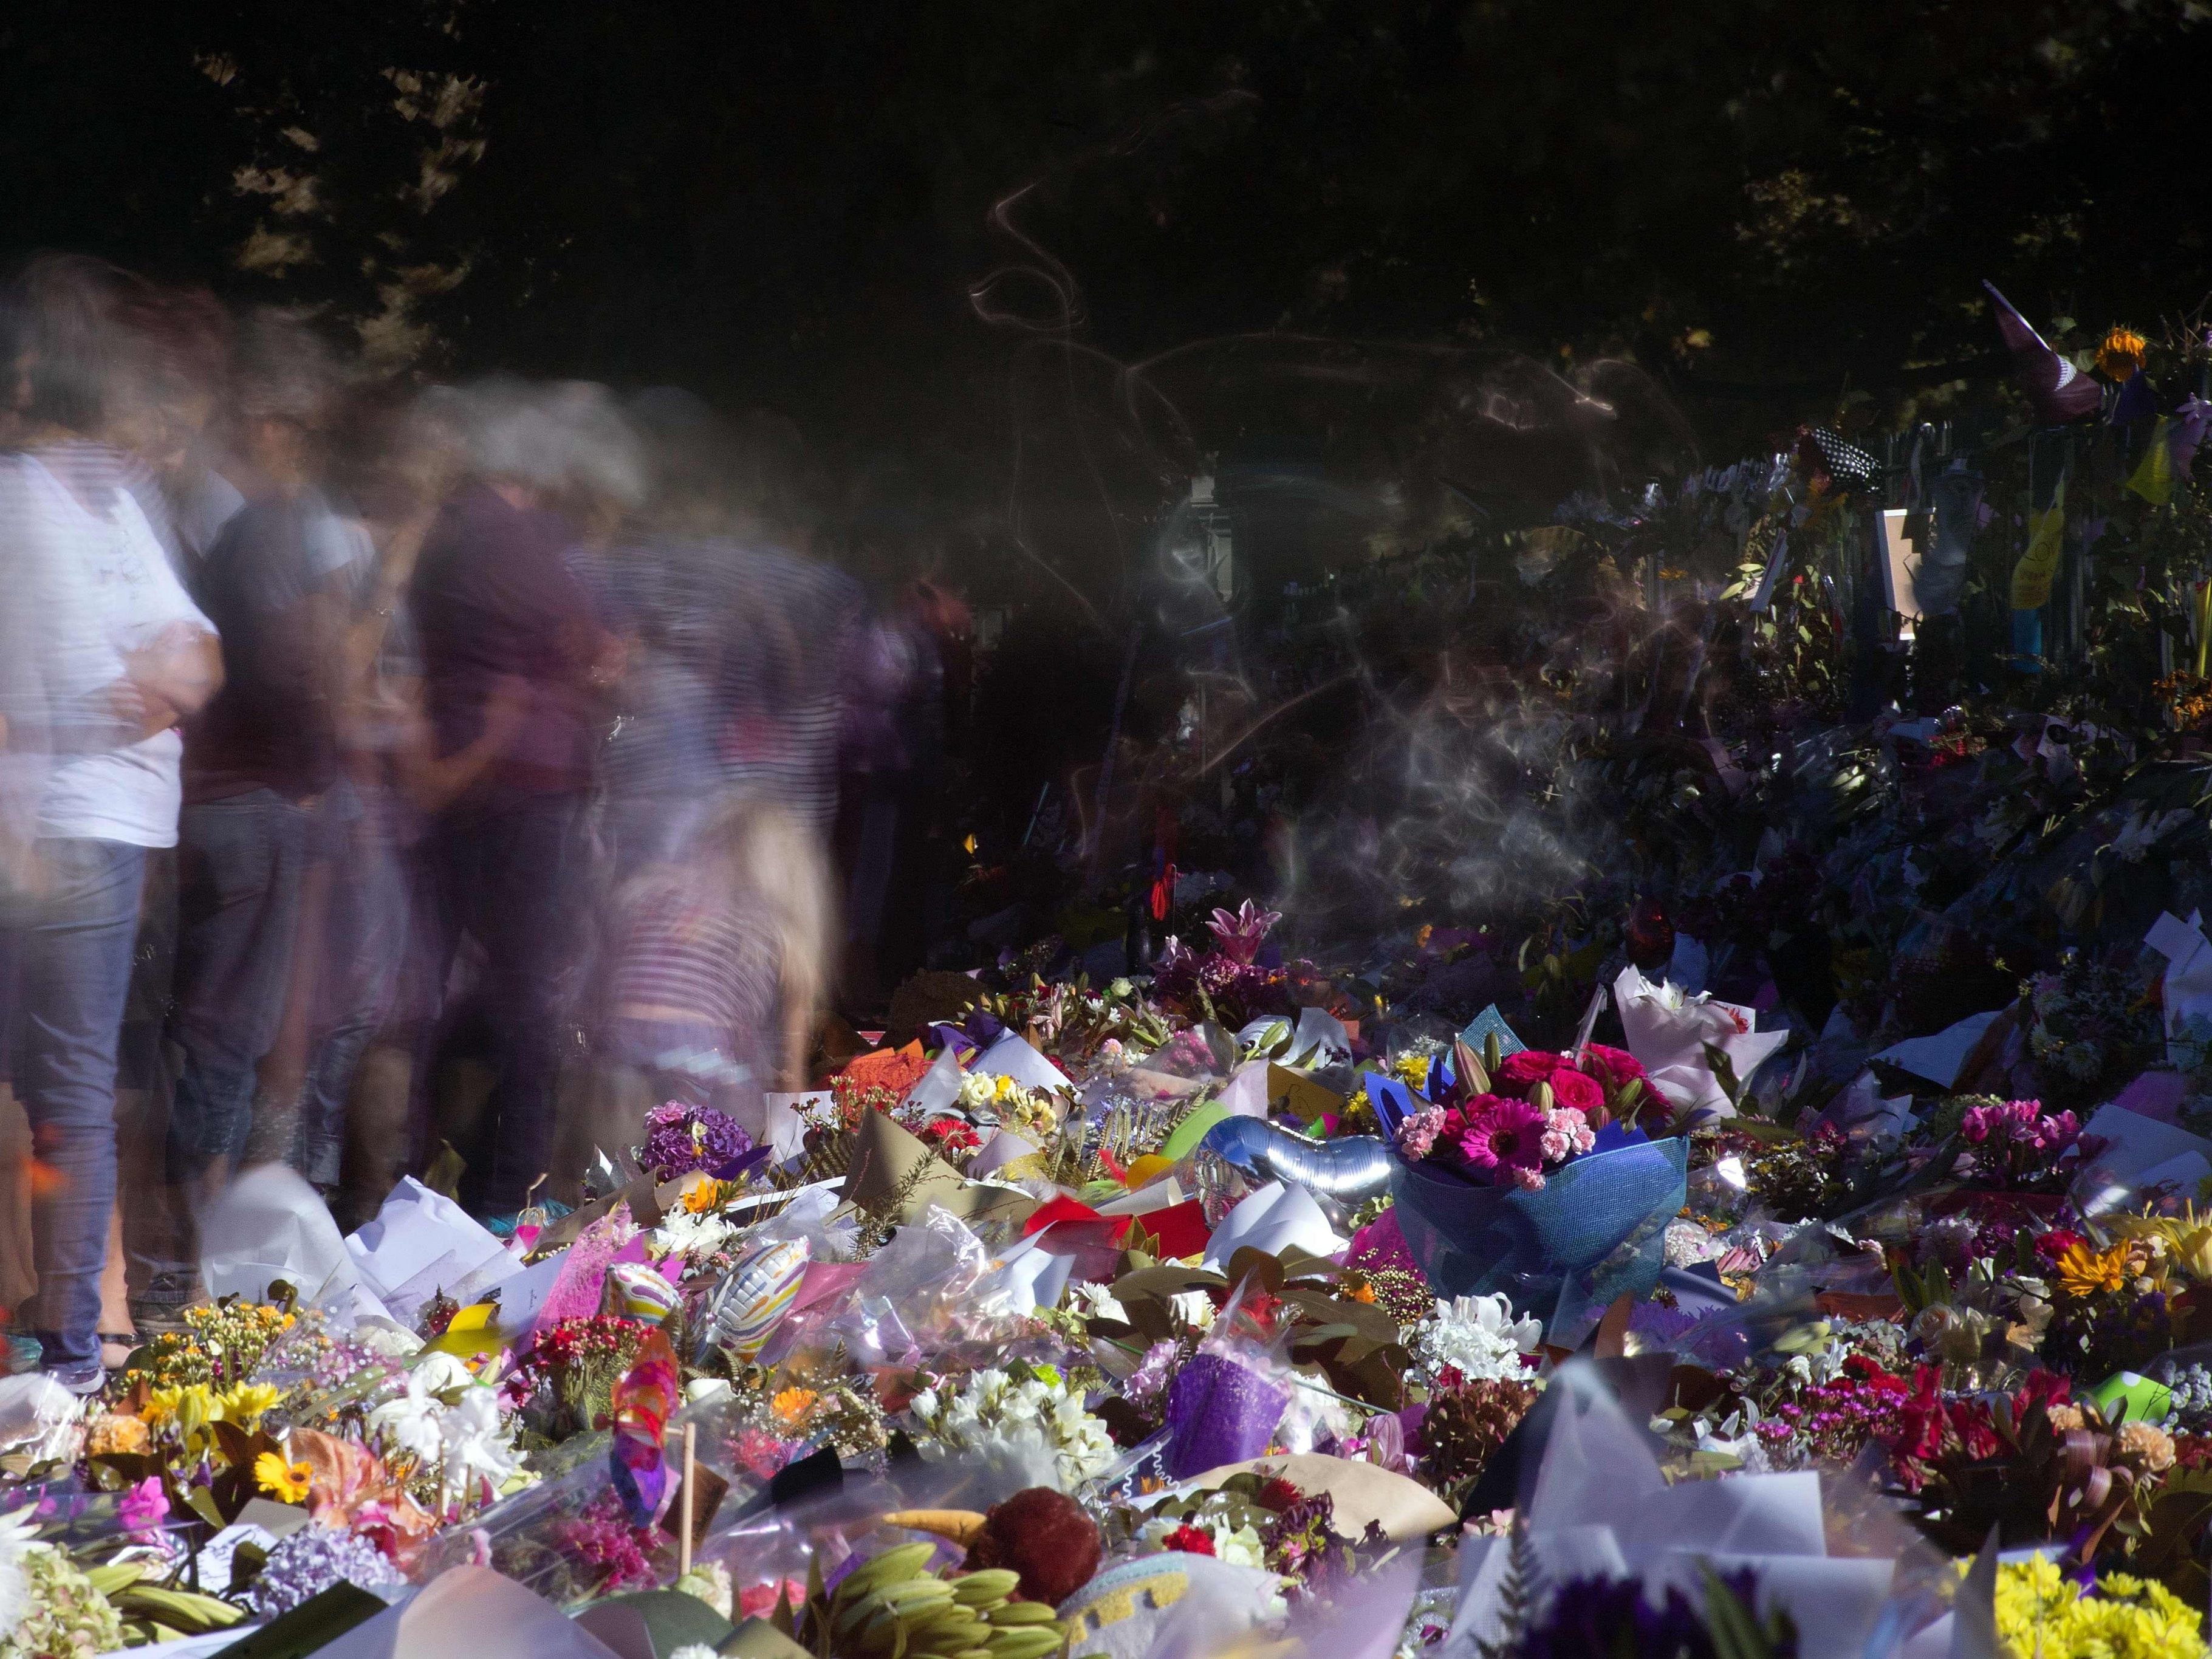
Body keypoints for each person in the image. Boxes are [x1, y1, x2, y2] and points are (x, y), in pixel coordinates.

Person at [0, 253, 222, 1390]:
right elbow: (102, 690)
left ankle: (62, 1342)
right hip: (55, 840)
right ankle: (69, 1356)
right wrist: (153, 677)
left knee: (67, 1103)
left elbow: (201, 654)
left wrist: (166, 673)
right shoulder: (25, 504)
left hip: (107, 838)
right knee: (69, 1108)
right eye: (147, 401)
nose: (163, 437)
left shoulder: (117, 507)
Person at [145, 311, 349, 1314]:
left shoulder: (238, 527)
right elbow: (285, 666)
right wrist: (319, 761)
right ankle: (200, 1264)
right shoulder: (271, 529)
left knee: (223, 1029)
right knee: (229, 1032)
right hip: (255, 802)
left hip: (230, 799)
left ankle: (201, 1252)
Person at [409, 380, 615, 1214]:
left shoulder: (442, 536)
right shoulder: (521, 544)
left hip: (451, 782)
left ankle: (416, 1170)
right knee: (534, 990)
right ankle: (512, 1190)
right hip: (530, 789)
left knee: (442, 984)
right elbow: (593, 652)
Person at [574, 795, 831, 1175]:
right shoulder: (778, 930)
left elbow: (597, 993)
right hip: (700, 1069)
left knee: (612, 1184)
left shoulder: (646, 894)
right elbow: (791, 1075)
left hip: (615, 1059)